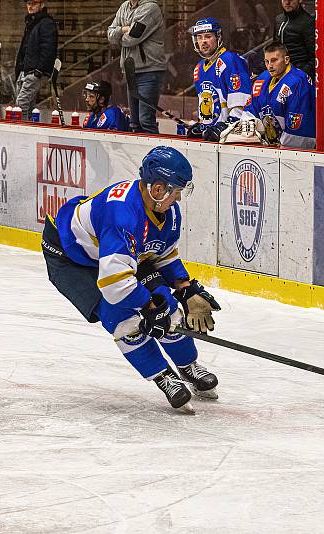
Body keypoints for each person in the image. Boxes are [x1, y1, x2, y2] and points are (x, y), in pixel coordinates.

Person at [41, 146, 222, 411]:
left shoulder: (167, 212)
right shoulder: (122, 214)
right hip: (71, 258)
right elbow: (115, 283)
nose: (179, 199)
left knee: (168, 309)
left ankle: (188, 366)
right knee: (124, 321)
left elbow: (161, 254)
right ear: (158, 189)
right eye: (177, 192)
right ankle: (163, 376)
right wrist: (148, 309)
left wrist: (185, 288)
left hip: (113, 255)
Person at [241, 41, 315, 148]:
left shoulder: (298, 81)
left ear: (286, 60)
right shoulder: (262, 79)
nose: (270, 66)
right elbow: (250, 113)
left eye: (274, 60)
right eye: (267, 62)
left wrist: (279, 149)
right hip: (269, 147)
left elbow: (298, 131)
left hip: (293, 152)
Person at [188, 18, 252, 142]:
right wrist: (202, 125)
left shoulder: (231, 60)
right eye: (199, 37)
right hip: (212, 135)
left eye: (208, 36)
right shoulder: (198, 68)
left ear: (218, 37)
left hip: (231, 137)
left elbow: (242, 103)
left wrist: (228, 125)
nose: (203, 41)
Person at [107, 0, 165, 134]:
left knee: (145, 120)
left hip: (150, 70)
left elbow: (132, 38)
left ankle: (155, 153)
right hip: (131, 71)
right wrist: (123, 29)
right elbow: (110, 35)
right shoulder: (124, 6)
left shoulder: (151, 8)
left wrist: (120, 35)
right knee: (135, 122)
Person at [14, 0, 58, 115]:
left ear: (42, 5)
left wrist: (39, 70)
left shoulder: (46, 23)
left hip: (35, 71)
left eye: (34, 4)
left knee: (21, 103)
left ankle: (21, 131)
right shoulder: (31, 23)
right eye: (28, 4)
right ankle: (28, 129)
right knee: (28, 105)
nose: (30, 6)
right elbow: (25, 48)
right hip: (27, 70)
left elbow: (49, 49)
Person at [274, 0, 315, 79]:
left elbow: (315, 57)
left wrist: (300, 74)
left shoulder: (308, 22)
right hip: (279, 73)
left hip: (299, 75)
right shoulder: (278, 19)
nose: (287, 2)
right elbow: (273, 49)